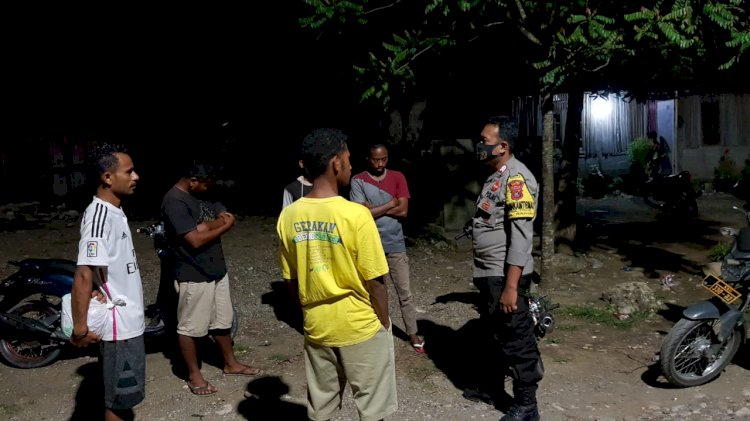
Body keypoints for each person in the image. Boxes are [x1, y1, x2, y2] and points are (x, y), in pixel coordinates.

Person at [276, 128, 398, 421]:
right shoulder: (356, 215)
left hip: (317, 326)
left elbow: (290, 280)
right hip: (360, 325)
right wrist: (384, 322)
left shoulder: (289, 215)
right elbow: (375, 282)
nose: (352, 165)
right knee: (372, 409)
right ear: (336, 164)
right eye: (348, 158)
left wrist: (308, 313)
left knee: (322, 408)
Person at [160, 162, 263, 397]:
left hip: (216, 268)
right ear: (192, 180)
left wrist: (208, 225)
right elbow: (194, 240)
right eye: (205, 184)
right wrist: (222, 226)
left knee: (222, 321)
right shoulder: (174, 201)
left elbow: (224, 214)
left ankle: (231, 364)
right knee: (190, 326)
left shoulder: (202, 194)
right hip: (192, 271)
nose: (209, 189)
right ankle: (194, 375)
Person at [470, 116, 543, 421]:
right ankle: (493, 387)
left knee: (518, 337)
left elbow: (522, 237)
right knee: (497, 333)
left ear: (502, 145)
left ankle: (527, 405)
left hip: (505, 275)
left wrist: (512, 287)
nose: (480, 145)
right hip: (491, 272)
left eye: (485, 140)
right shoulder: (496, 174)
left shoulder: (517, 179)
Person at [69, 143, 146, 421]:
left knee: (123, 399)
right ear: (108, 177)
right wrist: (80, 328)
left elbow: (103, 269)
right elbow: (83, 273)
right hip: (119, 327)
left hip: (129, 323)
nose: (136, 176)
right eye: (129, 171)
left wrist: (100, 289)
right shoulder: (99, 216)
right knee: (118, 402)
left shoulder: (115, 211)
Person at [349, 143, 425, 352]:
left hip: (395, 243)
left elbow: (404, 211)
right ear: (368, 158)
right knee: (374, 292)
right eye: (375, 159)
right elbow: (361, 214)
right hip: (369, 245)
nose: (380, 163)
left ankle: (412, 332)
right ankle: (380, 332)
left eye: (383, 159)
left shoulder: (398, 177)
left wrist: (373, 208)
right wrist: (391, 204)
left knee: (404, 292)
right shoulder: (358, 180)